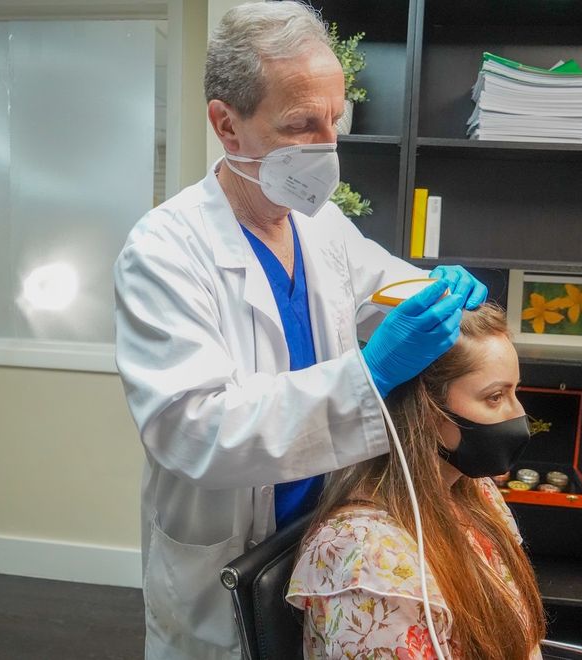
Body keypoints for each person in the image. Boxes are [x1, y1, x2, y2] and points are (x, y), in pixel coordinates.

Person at [113, 2, 487, 658]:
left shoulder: (320, 226)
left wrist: (437, 291)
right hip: (224, 552)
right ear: (227, 125)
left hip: (319, 536)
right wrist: (366, 376)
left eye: (332, 121)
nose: (325, 147)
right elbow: (193, 427)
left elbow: (389, 288)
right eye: (299, 125)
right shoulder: (164, 250)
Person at [287, 303, 547, 659]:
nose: (518, 415)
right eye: (495, 397)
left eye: (515, 392)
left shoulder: (476, 491)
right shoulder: (368, 559)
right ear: (427, 409)